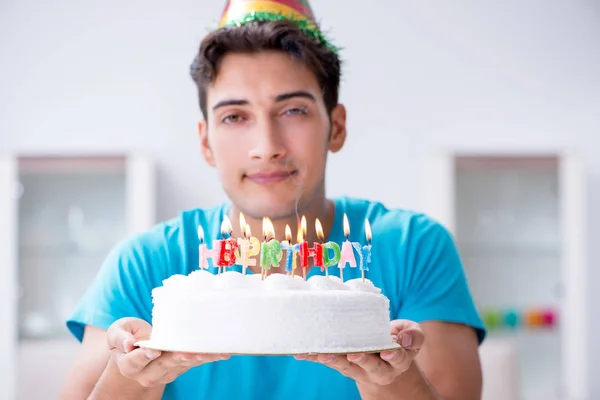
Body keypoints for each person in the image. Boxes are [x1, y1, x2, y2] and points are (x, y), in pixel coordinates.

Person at [60, 1, 486, 399]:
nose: (266, 146)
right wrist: (130, 378)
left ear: (336, 127)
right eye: (234, 116)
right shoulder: (145, 264)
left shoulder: (413, 247)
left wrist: (394, 382)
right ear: (205, 141)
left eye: (293, 110)